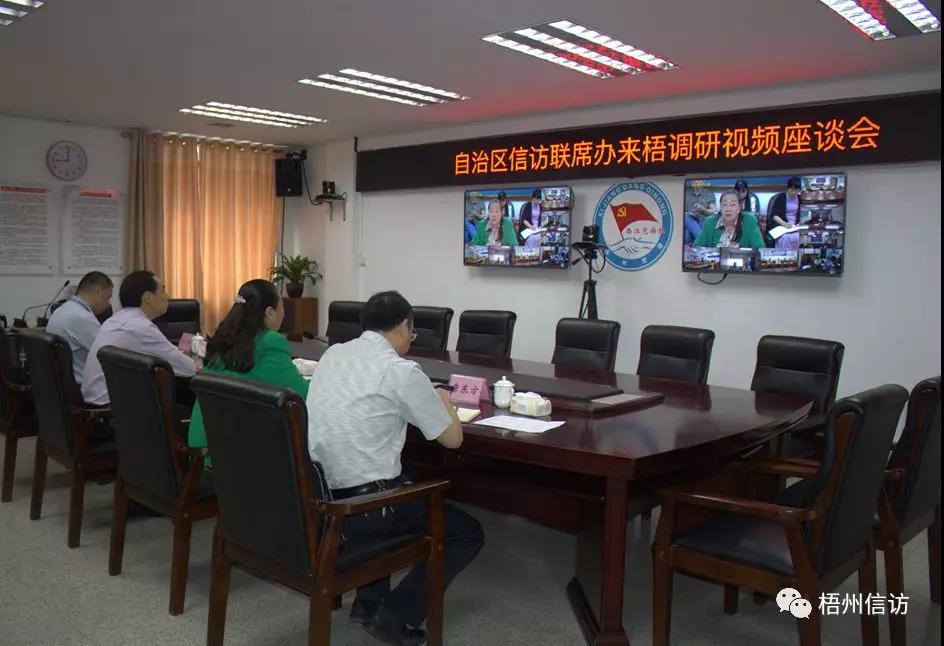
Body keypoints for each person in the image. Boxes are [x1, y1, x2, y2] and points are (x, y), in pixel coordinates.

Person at [307, 291, 483, 646]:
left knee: (390, 475)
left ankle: (367, 602)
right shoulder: (400, 370)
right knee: (466, 533)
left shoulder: (333, 354)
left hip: (320, 496)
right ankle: (396, 614)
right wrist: (445, 402)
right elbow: (453, 440)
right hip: (365, 511)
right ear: (404, 326)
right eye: (411, 332)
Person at [187, 279, 308, 463]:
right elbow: (302, 396)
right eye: (282, 306)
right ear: (269, 312)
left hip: (202, 456)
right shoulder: (269, 341)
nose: (284, 313)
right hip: (239, 464)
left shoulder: (223, 337)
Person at [81, 270, 196, 406]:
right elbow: (190, 369)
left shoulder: (118, 318)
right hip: (112, 406)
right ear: (148, 297)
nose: (167, 297)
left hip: (99, 398)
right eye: (163, 291)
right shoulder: (141, 327)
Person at [45, 271, 113, 384]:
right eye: (108, 297)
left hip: (61, 384)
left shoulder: (62, 309)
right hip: (83, 386)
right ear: (98, 292)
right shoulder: (83, 317)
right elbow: (109, 354)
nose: (108, 304)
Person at [693, 190, 765, 249]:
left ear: (740, 207)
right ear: (720, 207)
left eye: (733, 205)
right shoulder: (710, 222)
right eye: (725, 204)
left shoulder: (749, 221)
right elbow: (697, 247)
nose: (728, 209)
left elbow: (759, 248)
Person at [767, 176, 803, 249]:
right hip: (782, 225)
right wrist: (784, 224)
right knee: (785, 238)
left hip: (796, 227)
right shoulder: (780, 198)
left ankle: (797, 255)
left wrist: (800, 223)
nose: (794, 192)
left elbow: (804, 214)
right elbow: (774, 215)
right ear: (788, 188)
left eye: (797, 190)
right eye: (792, 189)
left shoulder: (800, 198)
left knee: (799, 237)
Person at [683, 179, 718, 244]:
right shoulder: (686, 192)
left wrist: (703, 209)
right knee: (685, 216)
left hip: (703, 219)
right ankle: (701, 241)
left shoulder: (709, 193)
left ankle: (699, 241)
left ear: (703, 182)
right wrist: (690, 213)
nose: (697, 182)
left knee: (687, 234)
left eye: (700, 180)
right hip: (689, 219)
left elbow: (713, 211)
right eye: (695, 180)